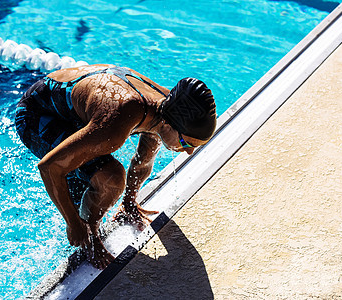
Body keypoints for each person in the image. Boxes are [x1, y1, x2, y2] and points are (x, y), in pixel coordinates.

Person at [15, 64, 216, 269]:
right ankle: (91, 235)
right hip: (36, 113)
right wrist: (74, 224)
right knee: (111, 179)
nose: (189, 151)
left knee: (94, 175)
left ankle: (92, 207)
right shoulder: (118, 120)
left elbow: (143, 161)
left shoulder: (164, 107)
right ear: (169, 124)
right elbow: (49, 167)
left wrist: (129, 203)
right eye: (186, 143)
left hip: (72, 107)